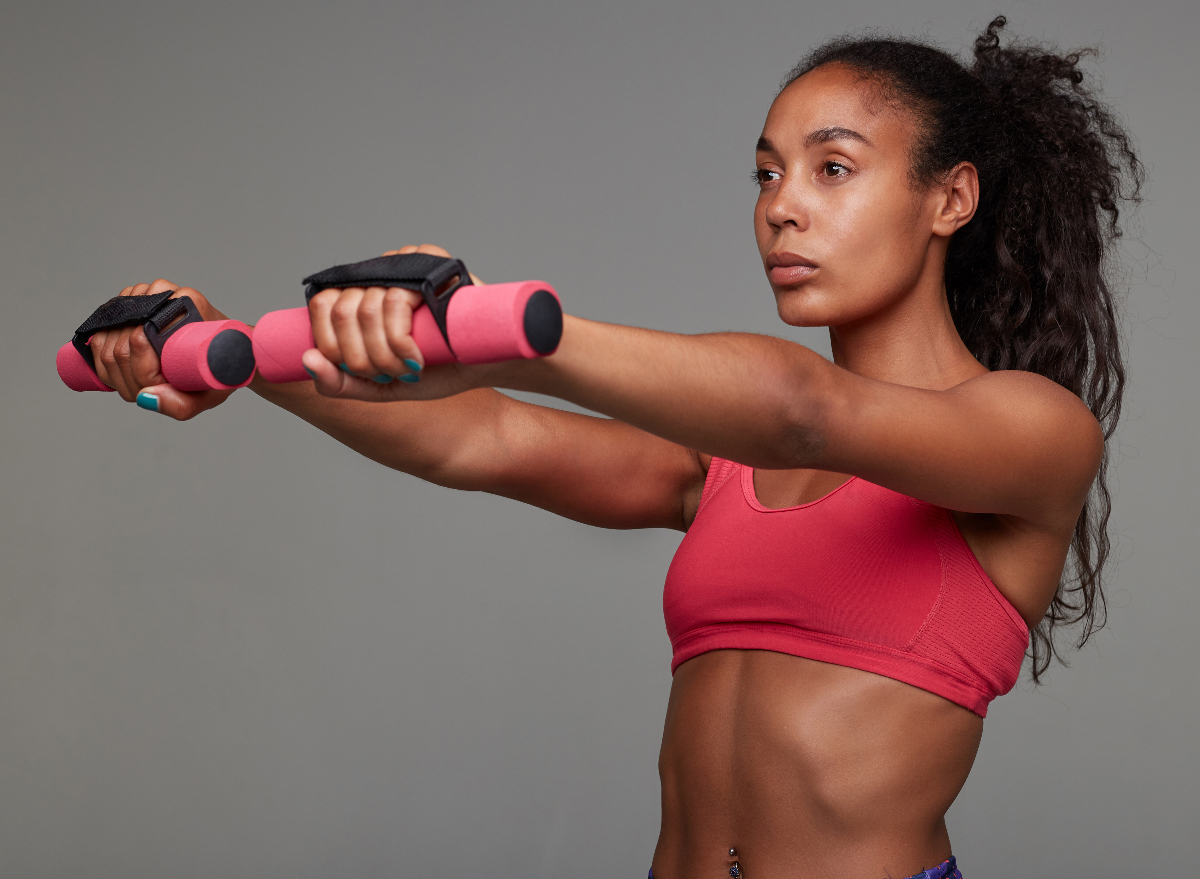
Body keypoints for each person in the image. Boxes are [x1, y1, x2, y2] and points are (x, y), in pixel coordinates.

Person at [83, 16, 1142, 879]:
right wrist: (224, 358)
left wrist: (501, 330)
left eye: (832, 170)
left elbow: (807, 408)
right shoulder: (718, 463)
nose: (782, 210)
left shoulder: (1033, 433)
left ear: (949, 197)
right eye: (767, 174)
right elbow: (483, 440)